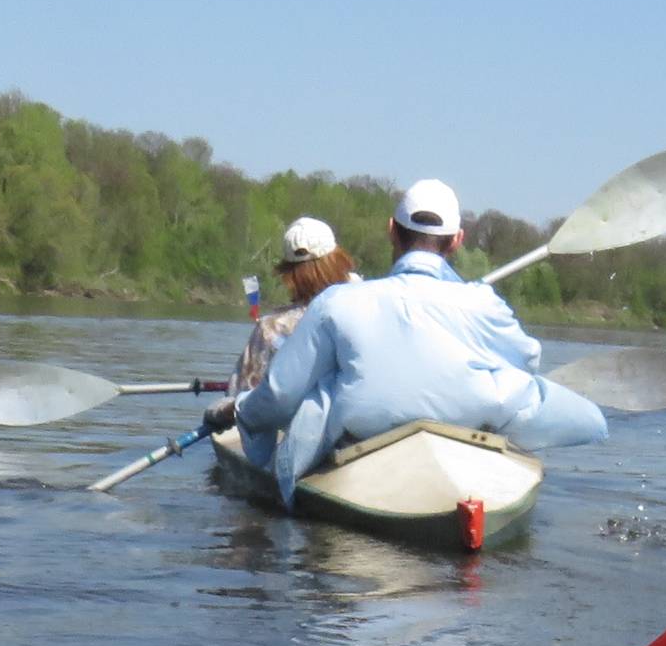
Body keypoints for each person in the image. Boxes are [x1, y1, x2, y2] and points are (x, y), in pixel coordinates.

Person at [205, 179, 607, 504]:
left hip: (359, 439)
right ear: (457, 241)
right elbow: (527, 363)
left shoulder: (337, 304)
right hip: (465, 434)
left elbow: (279, 395)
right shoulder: (484, 304)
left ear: (391, 231)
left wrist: (239, 411)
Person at [231, 216, 357, 394]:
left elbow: (240, 395)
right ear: (339, 258)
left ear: (288, 272)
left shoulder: (270, 328)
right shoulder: (366, 310)